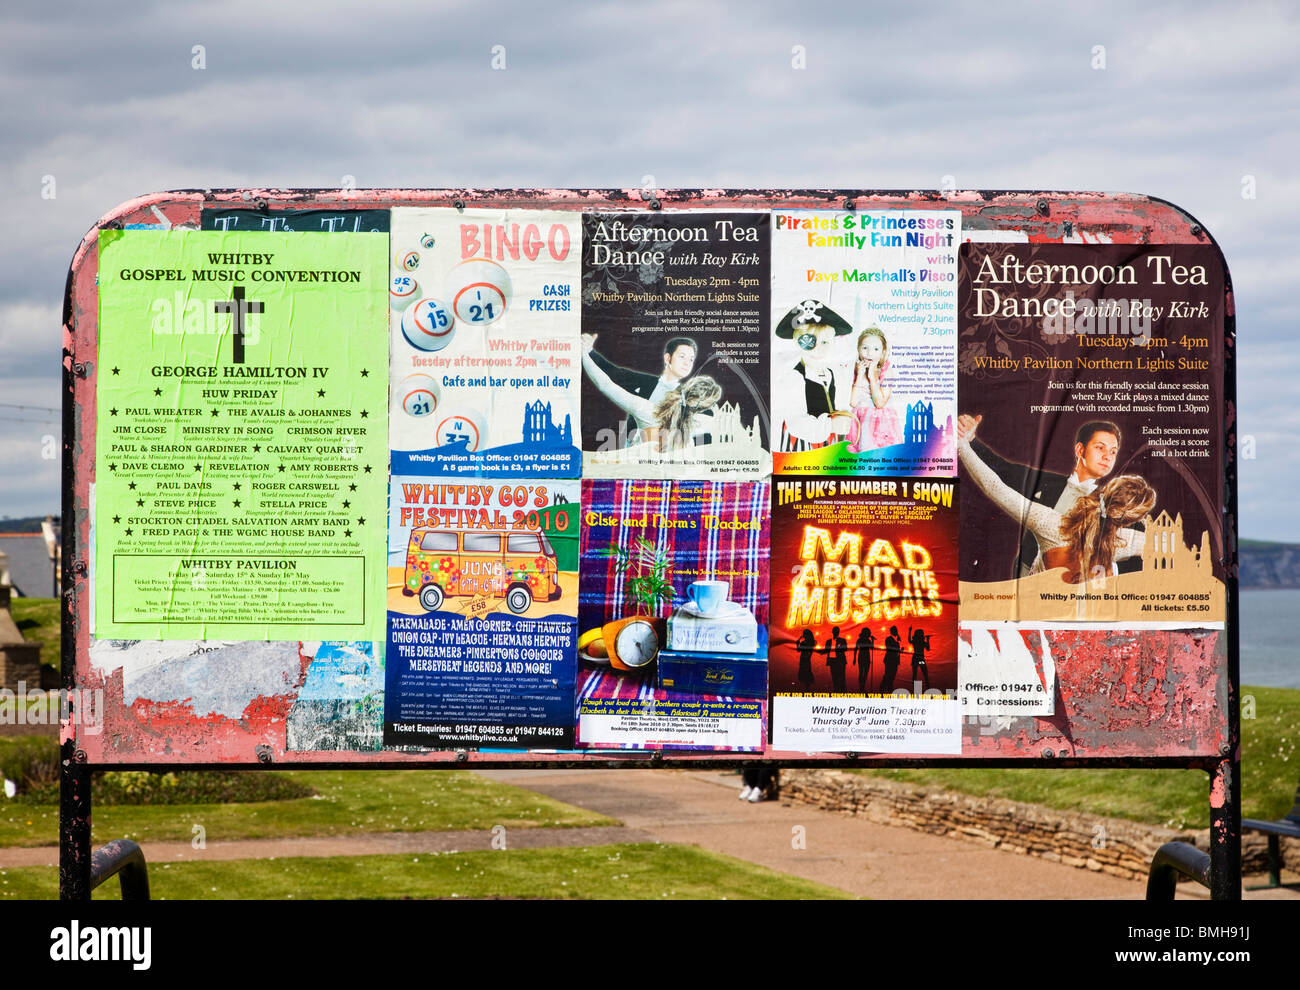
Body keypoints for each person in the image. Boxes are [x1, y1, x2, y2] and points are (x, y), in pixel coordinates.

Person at [957, 415, 1142, 578]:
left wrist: (1114, 570)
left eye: (1113, 452)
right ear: (1080, 450)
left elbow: (1147, 550)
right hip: (1026, 577)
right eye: (1100, 448)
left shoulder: (1113, 504)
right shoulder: (1045, 482)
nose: (1108, 456)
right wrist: (972, 440)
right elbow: (1003, 471)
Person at [581, 337, 721, 451]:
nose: (687, 363)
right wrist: (589, 352)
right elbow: (614, 374)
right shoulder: (645, 384)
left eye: (691, 359)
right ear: (668, 358)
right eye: (682, 356)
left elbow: (605, 385)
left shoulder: (683, 401)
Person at [773, 299, 856, 451]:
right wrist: (830, 425)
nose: (818, 350)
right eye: (810, 342)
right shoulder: (795, 377)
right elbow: (795, 421)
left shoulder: (831, 373)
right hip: (801, 446)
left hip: (827, 445)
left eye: (825, 343)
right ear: (798, 344)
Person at [847, 327, 902, 453]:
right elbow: (853, 402)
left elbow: (879, 403)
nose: (869, 353)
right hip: (860, 420)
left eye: (876, 349)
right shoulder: (855, 370)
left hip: (882, 422)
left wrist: (872, 376)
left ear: (883, 352)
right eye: (865, 348)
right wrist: (860, 376)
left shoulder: (886, 370)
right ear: (858, 349)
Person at [825, 626, 848, 692]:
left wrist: (838, 647)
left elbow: (845, 648)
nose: (835, 633)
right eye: (835, 631)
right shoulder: (828, 641)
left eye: (837, 631)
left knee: (842, 677)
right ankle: (836, 691)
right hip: (832, 661)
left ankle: (843, 692)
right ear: (832, 632)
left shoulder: (842, 640)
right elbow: (826, 650)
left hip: (840, 661)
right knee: (834, 678)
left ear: (838, 632)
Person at [908, 625, 931, 691]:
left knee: (915, 674)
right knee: (925, 673)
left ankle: (914, 689)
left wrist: (909, 631)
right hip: (920, 659)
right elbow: (928, 649)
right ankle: (927, 687)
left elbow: (909, 640)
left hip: (915, 659)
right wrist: (928, 640)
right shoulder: (922, 642)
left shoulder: (915, 641)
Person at [880, 627, 902, 693]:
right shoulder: (888, 639)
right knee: (888, 674)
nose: (896, 632)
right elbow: (890, 648)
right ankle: (883, 688)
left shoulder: (895, 640)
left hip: (895, 660)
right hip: (889, 659)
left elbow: (896, 650)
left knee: (892, 675)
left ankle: (888, 688)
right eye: (895, 631)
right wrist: (897, 642)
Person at [854, 627, 875, 692]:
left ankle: (862, 687)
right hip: (864, 657)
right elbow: (871, 648)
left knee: (862, 672)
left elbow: (856, 649)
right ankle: (862, 687)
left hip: (863, 657)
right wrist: (872, 640)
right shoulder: (864, 640)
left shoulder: (860, 640)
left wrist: (854, 658)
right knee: (864, 672)